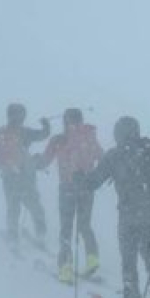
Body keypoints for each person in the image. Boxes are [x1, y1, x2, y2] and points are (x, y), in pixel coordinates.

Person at [82, 116, 150, 298]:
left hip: (129, 214)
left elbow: (94, 181)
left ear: (118, 134)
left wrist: (81, 180)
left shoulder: (114, 155)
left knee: (128, 259)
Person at [35, 107, 103, 283]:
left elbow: (44, 162)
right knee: (84, 225)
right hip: (87, 188)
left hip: (67, 188)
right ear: (81, 119)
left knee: (66, 228)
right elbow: (101, 157)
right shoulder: (90, 136)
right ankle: (92, 258)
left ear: (65, 121)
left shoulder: (58, 140)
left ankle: (65, 268)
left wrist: (35, 163)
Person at [0, 102, 49, 250]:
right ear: (22, 116)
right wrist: (46, 125)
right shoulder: (25, 132)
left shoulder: (0, 133)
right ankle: (41, 233)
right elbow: (43, 135)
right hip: (25, 174)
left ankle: (13, 236)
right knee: (34, 204)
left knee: (13, 206)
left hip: (8, 175)